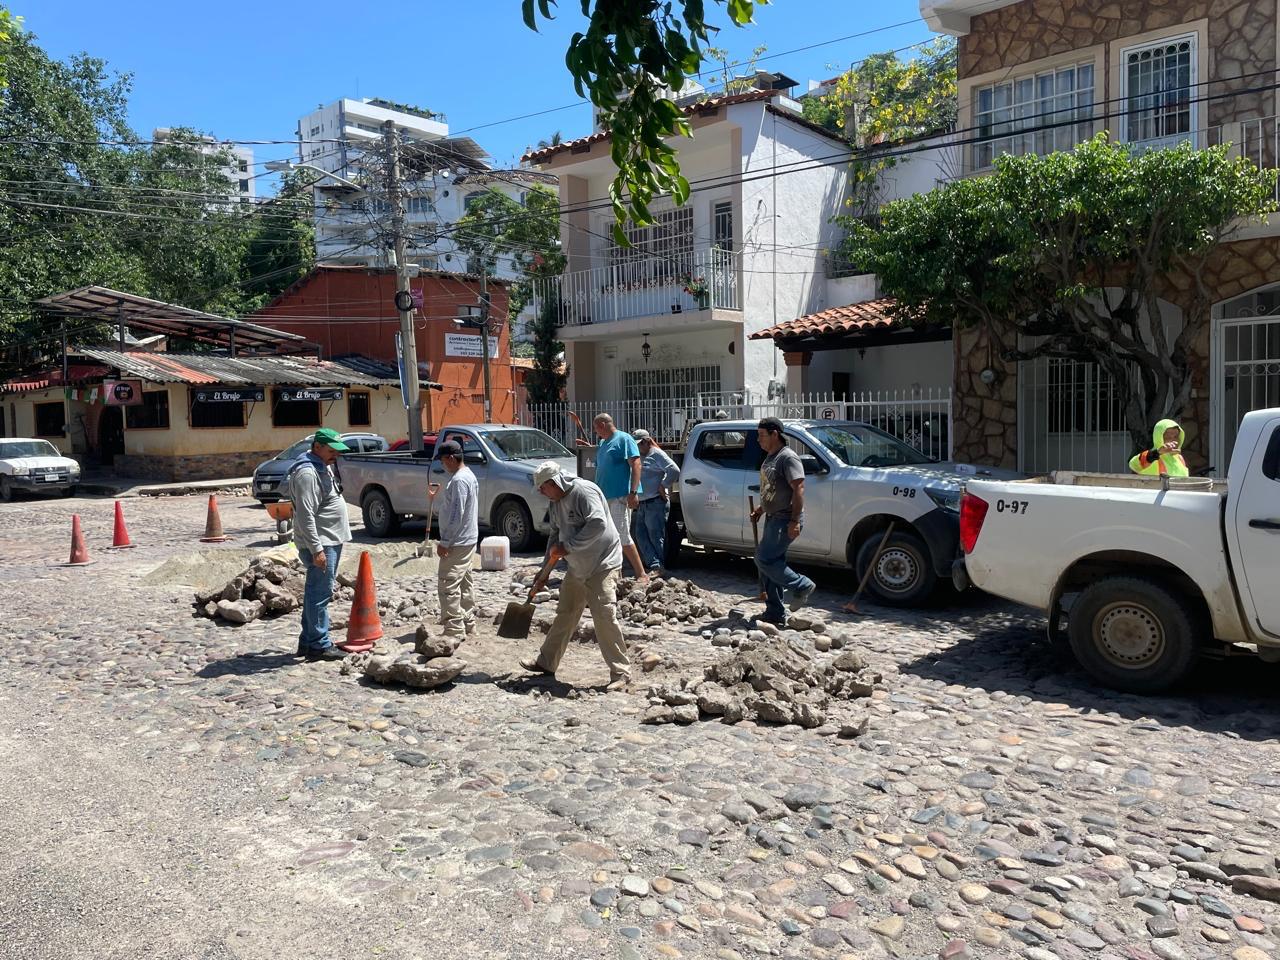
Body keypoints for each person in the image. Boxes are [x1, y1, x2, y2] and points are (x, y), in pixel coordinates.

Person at [519, 460, 631, 691]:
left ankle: (621, 673)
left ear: (554, 482)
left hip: (602, 563)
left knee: (604, 616)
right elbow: (555, 535)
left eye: (543, 487)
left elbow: (598, 524)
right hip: (578, 566)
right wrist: (544, 572)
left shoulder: (583, 491)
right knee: (566, 612)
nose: (541, 492)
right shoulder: (555, 501)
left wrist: (568, 547)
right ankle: (547, 662)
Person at [290, 428, 353, 661]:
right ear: (317, 447)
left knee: (315, 592)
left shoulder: (321, 465)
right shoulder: (307, 473)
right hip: (322, 542)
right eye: (331, 450)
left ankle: (309, 641)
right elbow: (305, 515)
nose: (335, 454)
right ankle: (319, 644)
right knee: (320, 594)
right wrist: (317, 549)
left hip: (329, 538)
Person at [750, 417, 816, 626]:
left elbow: (798, 488)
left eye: (761, 435)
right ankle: (774, 611)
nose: (758, 439)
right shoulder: (770, 457)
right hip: (773, 517)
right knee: (772, 564)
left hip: (785, 519)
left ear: (774, 434)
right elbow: (774, 488)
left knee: (764, 559)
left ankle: (802, 585)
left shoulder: (788, 458)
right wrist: (762, 508)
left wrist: (795, 520)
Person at [583, 413, 648, 581]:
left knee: (622, 534)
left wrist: (633, 492)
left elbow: (636, 464)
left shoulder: (624, 439)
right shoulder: (603, 443)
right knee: (609, 536)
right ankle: (615, 573)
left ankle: (641, 573)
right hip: (605, 496)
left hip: (621, 495)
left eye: (596, 428)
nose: (595, 431)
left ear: (603, 424)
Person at [432, 440, 479, 639]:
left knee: (448, 583)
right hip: (467, 538)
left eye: (443, 460)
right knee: (464, 581)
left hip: (458, 541)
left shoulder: (460, 480)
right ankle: (468, 622)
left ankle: (453, 628)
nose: (442, 465)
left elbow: (456, 514)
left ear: (451, 458)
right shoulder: (469, 475)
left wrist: (445, 541)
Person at [631, 429, 679, 575]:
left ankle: (659, 566)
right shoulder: (640, 455)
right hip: (643, 503)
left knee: (655, 536)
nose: (637, 447)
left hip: (655, 502)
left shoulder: (656, 454)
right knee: (640, 535)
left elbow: (674, 470)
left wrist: (663, 485)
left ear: (646, 442)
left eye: (639, 444)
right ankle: (655, 565)